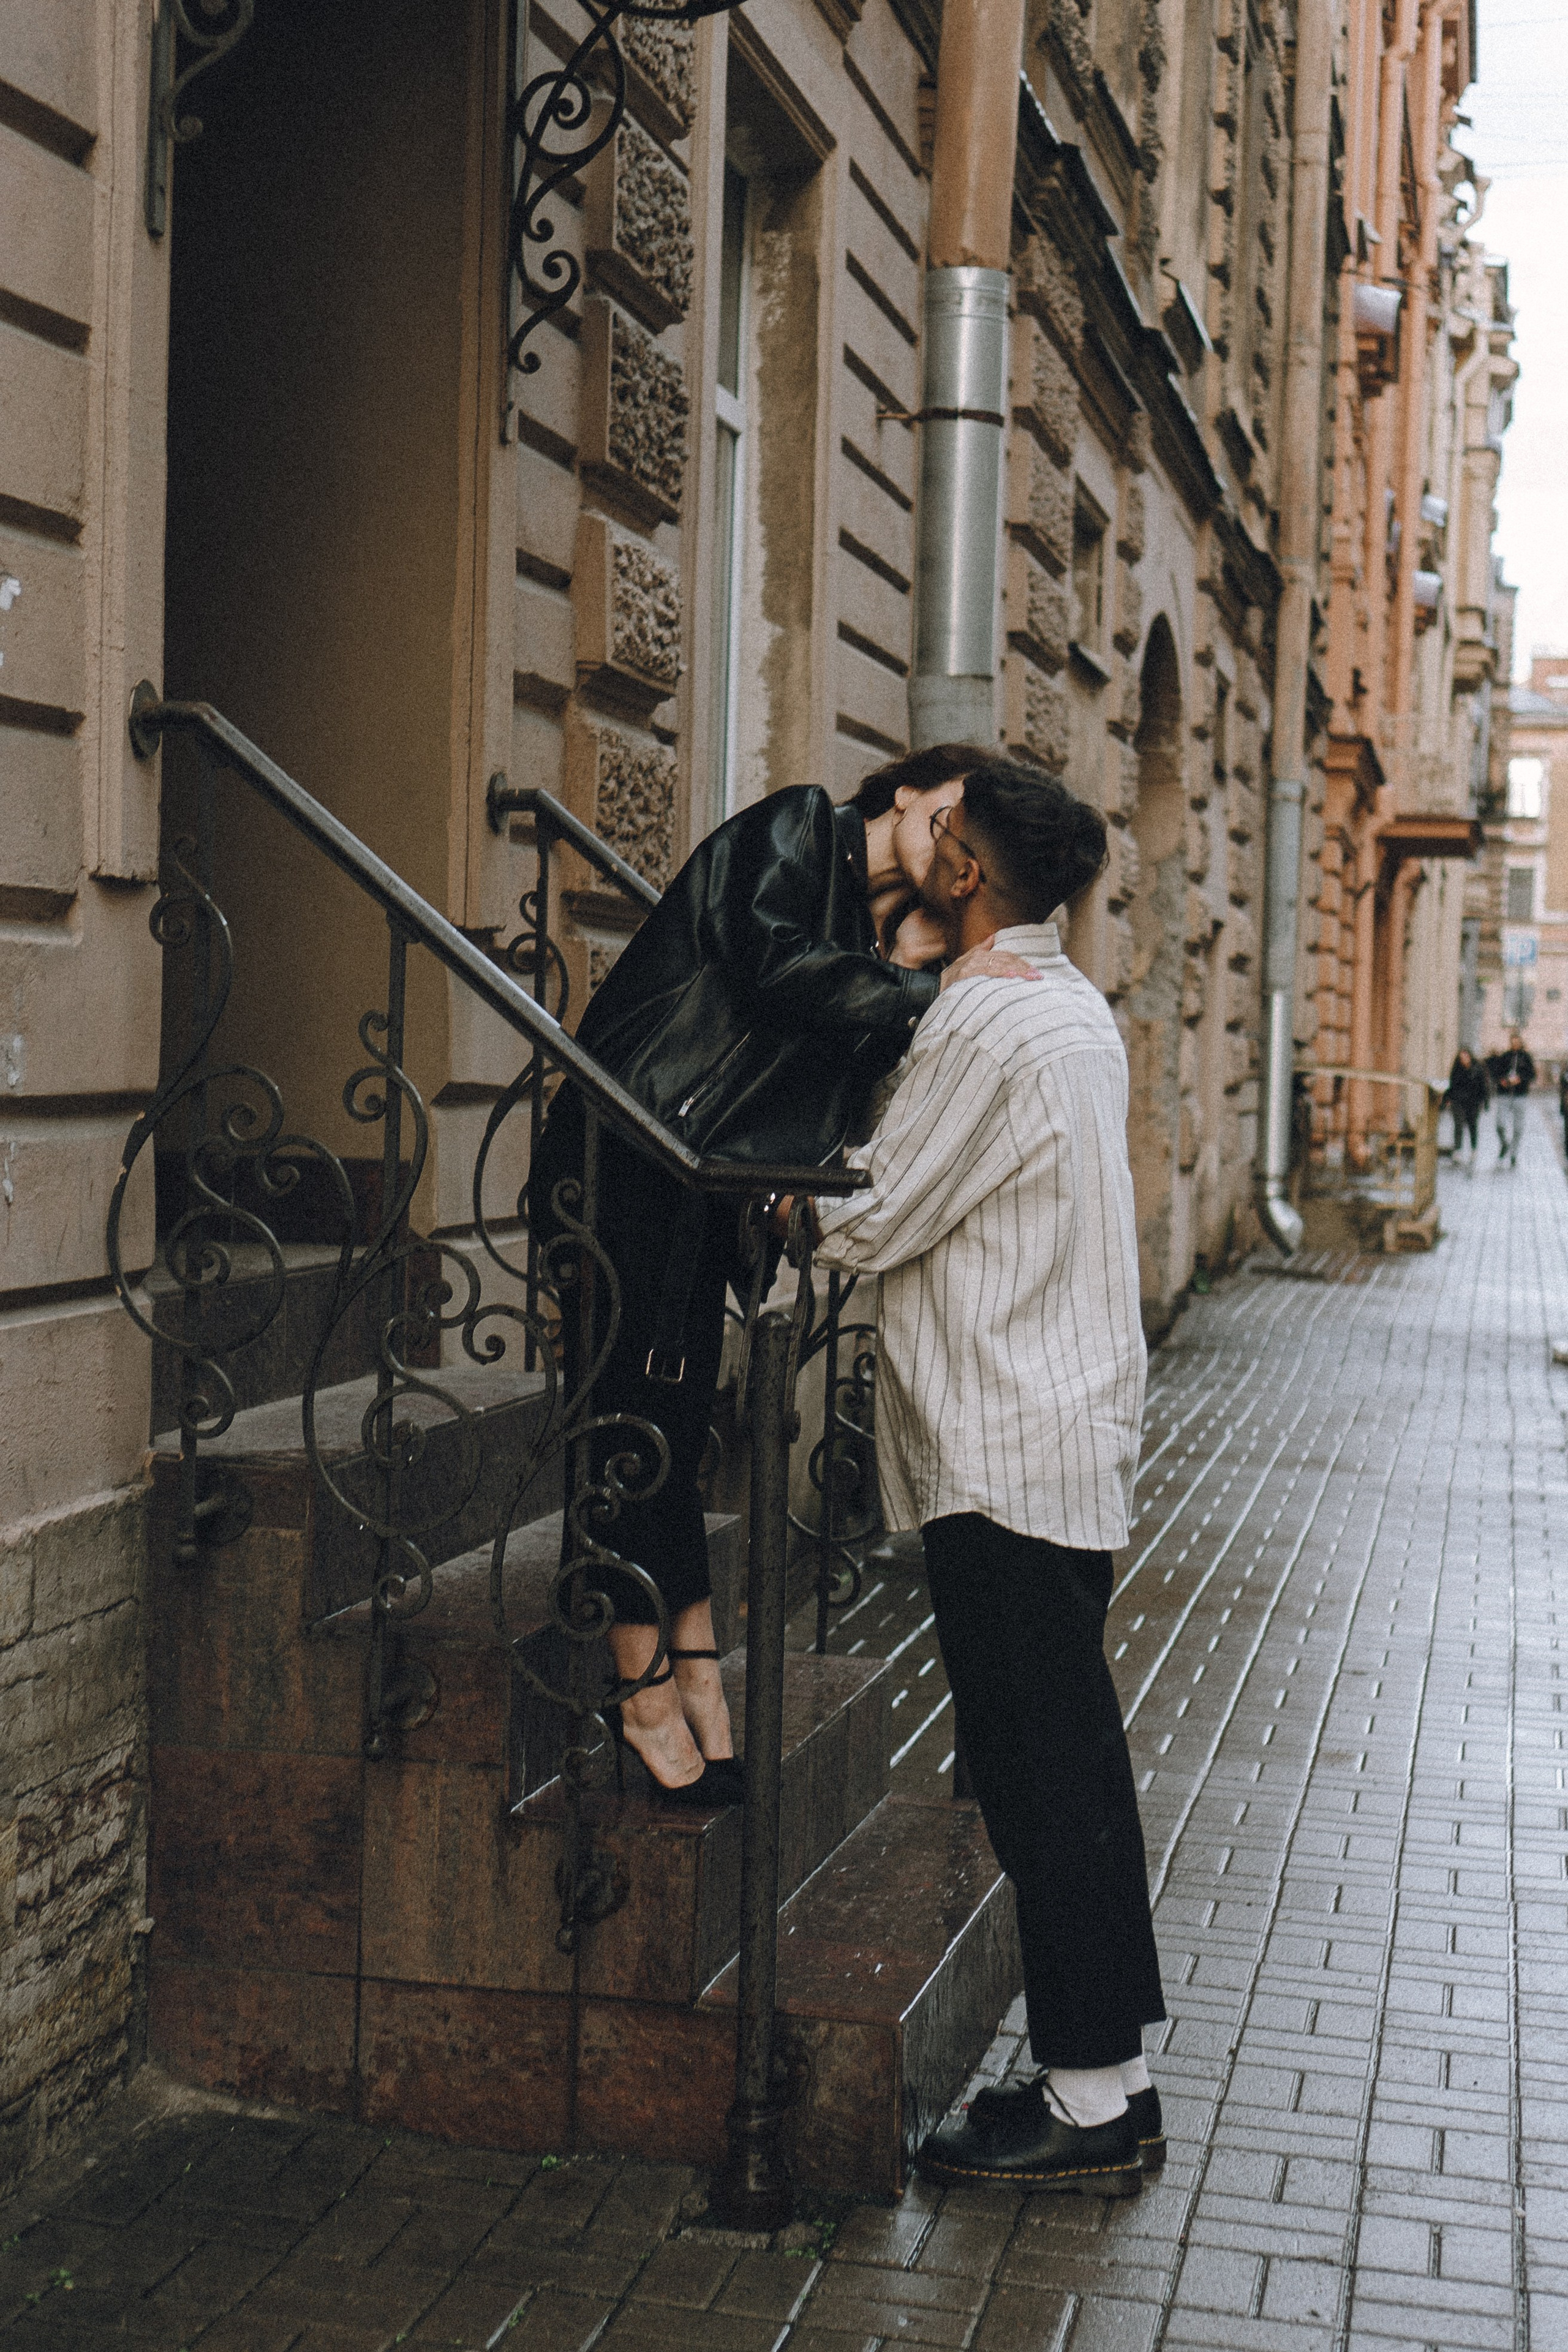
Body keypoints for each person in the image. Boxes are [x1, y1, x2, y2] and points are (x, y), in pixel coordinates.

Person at [528, 747, 1039, 1804]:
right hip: (625, 1149)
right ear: (902, 791)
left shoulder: (875, 940)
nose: (949, 845)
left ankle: (695, 1664)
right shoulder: (798, 829)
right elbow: (765, 957)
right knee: (626, 1418)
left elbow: (842, 1100)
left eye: (966, 839)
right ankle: (642, 1685)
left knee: (671, 1418)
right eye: (943, 814)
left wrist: (918, 949)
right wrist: (926, 982)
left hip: (698, 1186)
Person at [808, 760, 1165, 2198]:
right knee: (1071, 1770)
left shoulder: (991, 1018)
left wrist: (761, 1197)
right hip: (1061, 1433)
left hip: (1002, 1448)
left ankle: (1083, 2100)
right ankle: (1113, 2075)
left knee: (1034, 1778)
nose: (911, 842)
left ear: (965, 872)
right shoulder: (1064, 1004)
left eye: (934, 836)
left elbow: (871, 1214)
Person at [1488, 1029, 1535, 1169]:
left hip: (1520, 1096)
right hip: (1505, 1095)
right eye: (1512, 1042)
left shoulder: (1526, 1058)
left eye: (1517, 1042)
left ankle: (1514, 1153)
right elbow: (1496, 1073)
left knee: (1518, 1128)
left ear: (1520, 1043)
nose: (1514, 1045)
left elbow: (1531, 1075)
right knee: (1500, 1124)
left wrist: (1520, 1080)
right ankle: (1505, 1144)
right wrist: (1502, 1081)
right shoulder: (1505, 1057)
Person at [1444, 1047, 1488, 1174]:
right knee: (1458, 1124)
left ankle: (1474, 1149)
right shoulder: (1457, 1069)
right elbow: (1452, 1085)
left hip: (1473, 1102)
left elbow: (1483, 1086)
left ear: (1470, 1056)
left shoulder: (1477, 1068)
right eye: (1461, 1057)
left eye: (1466, 1057)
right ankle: (1457, 1150)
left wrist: (1485, 1102)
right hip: (1458, 1101)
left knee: (1472, 1125)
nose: (1464, 1060)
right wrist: (1447, 1099)